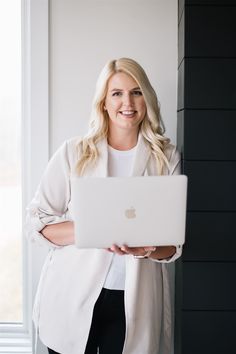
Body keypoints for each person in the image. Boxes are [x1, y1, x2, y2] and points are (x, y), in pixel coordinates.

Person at [26, 57, 182, 354]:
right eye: (117, 93)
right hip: (72, 294)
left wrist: (147, 248)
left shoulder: (166, 156)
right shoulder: (74, 152)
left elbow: (173, 245)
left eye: (136, 92)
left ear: (147, 98)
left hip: (135, 302)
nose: (128, 102)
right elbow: (36, 223)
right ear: (104, 103)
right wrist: (89, 229)